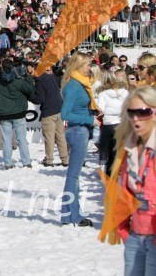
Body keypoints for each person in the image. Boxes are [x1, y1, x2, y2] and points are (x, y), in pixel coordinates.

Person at [99, 86, 156, 271]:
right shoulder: (128, 149)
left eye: (143, 112)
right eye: (131, 113)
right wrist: (125, 232)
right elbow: (124, 195)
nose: (136, 118)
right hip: (134, 238)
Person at [61, 51, 98, 227]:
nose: (89, 68)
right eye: (87, 65)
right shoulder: (74, 86)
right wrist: (90, 119)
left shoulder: (79, 84)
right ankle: (71, 216)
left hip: (80, 130)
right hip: (77, 131)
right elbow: (65, 114)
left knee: (74, 175)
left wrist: (92, 113)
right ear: (78, 66)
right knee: (73, 175)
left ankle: (71, 215)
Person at [0, 60, 34, 169]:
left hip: (3, 115)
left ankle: (8, 163)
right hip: (18, 113)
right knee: (22, 139)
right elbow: (31, 89)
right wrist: (28, 76)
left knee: (6, 140)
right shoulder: (18, 81)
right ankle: (26, 162)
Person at [30, 64, 69, 167]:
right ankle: (65, 159)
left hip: (48, 111)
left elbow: (39, 99)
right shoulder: (53, 77)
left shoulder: (40, 81)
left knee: (49, 137)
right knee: (60, 136)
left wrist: (30, 96)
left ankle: (49, 159)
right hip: (58, 109)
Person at [96, 70, 129, 176]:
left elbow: (101, 109)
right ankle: (116, 171)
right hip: (121, 123)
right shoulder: (124, 91)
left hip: (108, 123)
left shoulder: (102, 93)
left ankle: (105, 170)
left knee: (105, 148)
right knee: (116, 149)